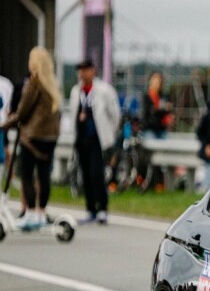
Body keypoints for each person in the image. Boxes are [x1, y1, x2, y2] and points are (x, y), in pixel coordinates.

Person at [1, 47, 63, 230]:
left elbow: (22, 112)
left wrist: (4, 125)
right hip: (50, 138)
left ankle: (29, 213)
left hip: (32, 137)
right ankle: (41, 212)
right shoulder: (52, 84)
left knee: (27, 174)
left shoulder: (34, 83)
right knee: (44, 175)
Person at [67, 59, 121, 224]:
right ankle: (90, 208)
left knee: (96, 173)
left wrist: (109, 134)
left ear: (93, 71)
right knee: (85, 174)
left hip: (97, 139)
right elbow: (72, 113)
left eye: (86, 69)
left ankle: (102, 208)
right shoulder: (76, 91)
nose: (83, 73)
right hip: (82, 138)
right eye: (81, 70)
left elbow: (115, 115)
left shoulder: (104, 90)